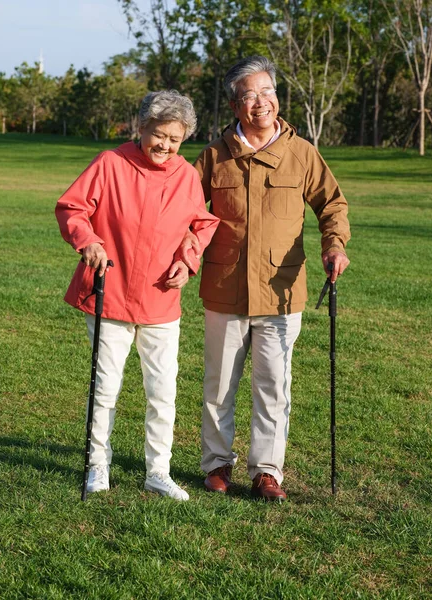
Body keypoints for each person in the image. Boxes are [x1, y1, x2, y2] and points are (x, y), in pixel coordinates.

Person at [183, 55, 350, 501]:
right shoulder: (213, 156)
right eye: (250, 96)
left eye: (268, 93)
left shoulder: (301, 153)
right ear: (235, 106)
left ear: (277, 98)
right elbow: (185, 212)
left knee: (273, 384)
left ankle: (266, 471)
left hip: (282, 291)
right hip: (224, 289)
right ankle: (217, 464)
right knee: (219, 383)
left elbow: (332, 205)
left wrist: (334, 245)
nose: (261, 103)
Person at [55, 90, 219, 501]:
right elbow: (72, 208)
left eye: (174, 139)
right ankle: (97, 465)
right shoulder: (110, 163)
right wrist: (87, 240)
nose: (165, 145)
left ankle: (157, 471)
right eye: (158, 135)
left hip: (161, 300)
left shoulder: (185, 176)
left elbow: (201, 224)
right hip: (109, 293)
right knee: (105, 387)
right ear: (141, 127)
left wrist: (188, 260)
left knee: (162, 391)